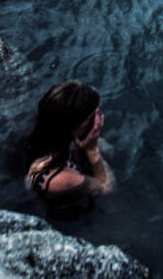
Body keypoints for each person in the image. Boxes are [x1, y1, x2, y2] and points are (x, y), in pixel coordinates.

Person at [25, 80, 114, 210]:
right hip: (67, 216)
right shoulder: (61, 178)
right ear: (78, 126)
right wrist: (92, 150)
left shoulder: (45, 129)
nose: (98, 118)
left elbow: (111, 151)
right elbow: (107, 188)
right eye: (92, 117)